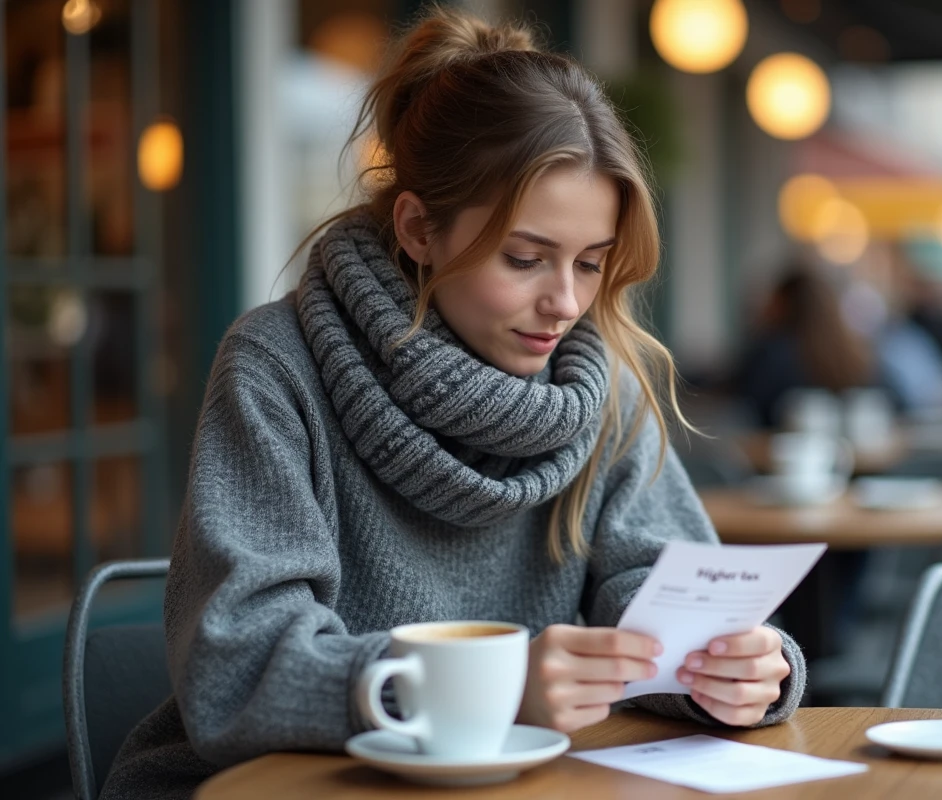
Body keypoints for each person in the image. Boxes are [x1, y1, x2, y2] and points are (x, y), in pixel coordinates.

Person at [100, 10, 804, 799]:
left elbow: (659, 594)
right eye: (526, 258)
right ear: (419, 228)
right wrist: (490, 686)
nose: (566, 301)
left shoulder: (603, 388)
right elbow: (240, 667)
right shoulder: (277, 366)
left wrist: (739, 668)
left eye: (591, 263)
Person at [737, 265, 877, 427]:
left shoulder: (773, 354)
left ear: (782, 304)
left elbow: (747, 406)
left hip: (774, 447)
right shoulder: (855, 353)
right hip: (847, 447)